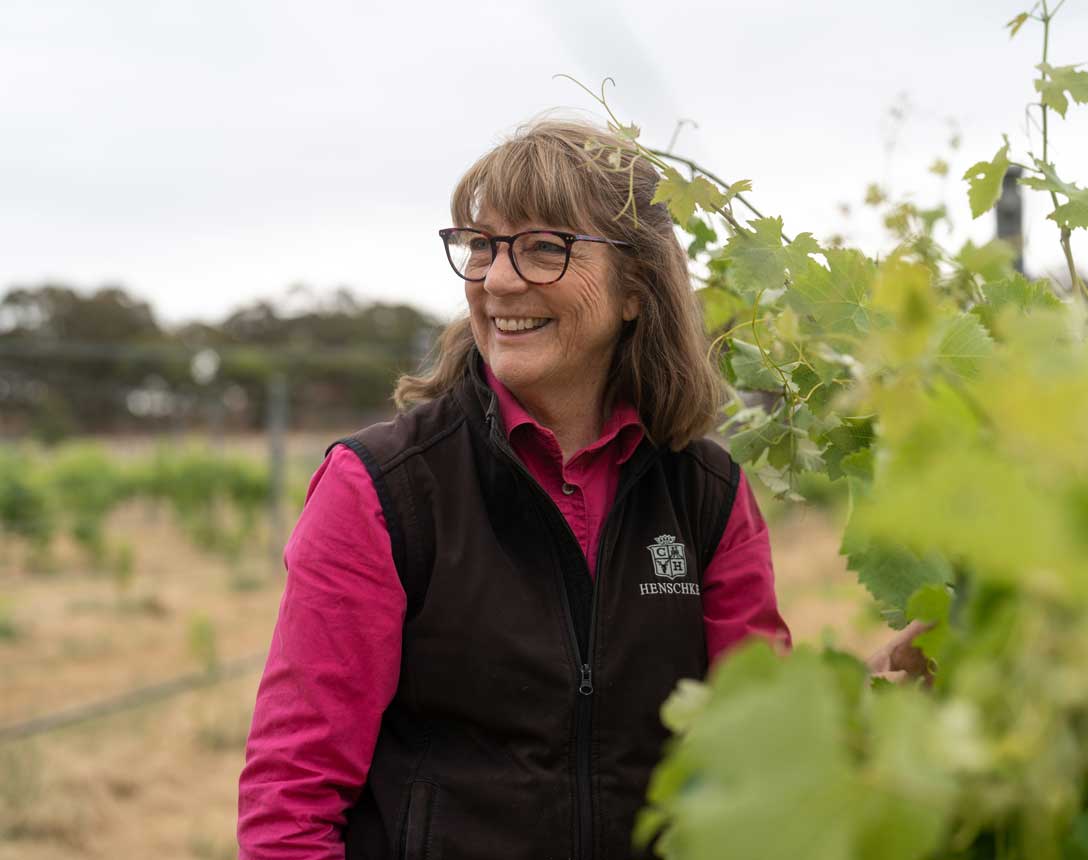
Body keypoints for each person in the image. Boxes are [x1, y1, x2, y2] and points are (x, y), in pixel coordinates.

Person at [237, 117, 794, 860]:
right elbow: (291, 801)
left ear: (636, 288)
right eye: (482, 245)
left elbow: (762, 753)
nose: (498, 280)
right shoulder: (383, 490)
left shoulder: (707, 495)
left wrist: (866, 714)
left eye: (544, 248)